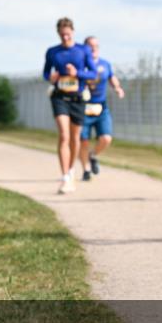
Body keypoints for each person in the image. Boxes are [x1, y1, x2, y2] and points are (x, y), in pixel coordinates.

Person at [43, 17, 97, 194]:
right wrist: (50, 77)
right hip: (59, 97)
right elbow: (45, 72)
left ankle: (71, 168)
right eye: (62, 35)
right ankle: (65, 175)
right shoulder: (53, 52)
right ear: (58, 33)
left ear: (73, 32)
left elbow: (93, 73)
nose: (65, 38)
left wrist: (77, 73)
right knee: (64, 135)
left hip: (78, 98)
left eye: (67, 34)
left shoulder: (83, 51)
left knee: (75, 138)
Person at [78, 36, 125, 181]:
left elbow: (111, 77)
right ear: (84, 48)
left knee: (106, 138)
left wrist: (117, 88)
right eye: (90, 46)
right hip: (83, 108)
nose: (93, 49)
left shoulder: (105, 64)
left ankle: (93, 155)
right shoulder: (80, 64)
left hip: (100, 108)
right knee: (83, 141)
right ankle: (86, 170)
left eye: (96, 46)